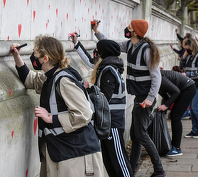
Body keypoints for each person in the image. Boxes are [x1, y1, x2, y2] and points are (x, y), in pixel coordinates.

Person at [10, 35, 104, 177]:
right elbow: (30, 80)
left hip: (76, 155)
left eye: (35, 54)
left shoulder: (63, 80)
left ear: (45, 58)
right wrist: (16, 56)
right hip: (63, 151)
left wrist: (51, 118)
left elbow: (85, 113)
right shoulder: (51, 76)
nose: (33, 57)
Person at [93, 19, 166, 177]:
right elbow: (110, 45)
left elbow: (156, 77)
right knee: (135, 135)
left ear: (136, 32)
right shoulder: (130, 45)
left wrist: (150, 98)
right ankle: (131, 168)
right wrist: (96, 32)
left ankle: (159, 170)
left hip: (145, 99)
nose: (127, 28)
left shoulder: (146, 50)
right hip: (139, 97)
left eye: (130, 27)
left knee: (140, 135)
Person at [70, 35, 134, 177]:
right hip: (107, 122)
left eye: (98, 50)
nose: (96, 53)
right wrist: (76, 43)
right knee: (109, 161)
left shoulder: (109, 70)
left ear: (104, 53)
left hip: (113, 123)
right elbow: (90, 61)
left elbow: (104, 97)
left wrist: (91, 89)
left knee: (119, 161)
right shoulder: (106, 66)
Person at [158, 69, 196, 156]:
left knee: (175, 117)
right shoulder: (155, 78)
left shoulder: (160, 78)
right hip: (184, 89)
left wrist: (166, 105)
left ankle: (176, 148)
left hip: (188, 88)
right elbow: (166, 95)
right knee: (174, 116)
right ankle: (173, 145)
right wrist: (164, 106)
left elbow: (176, 92)